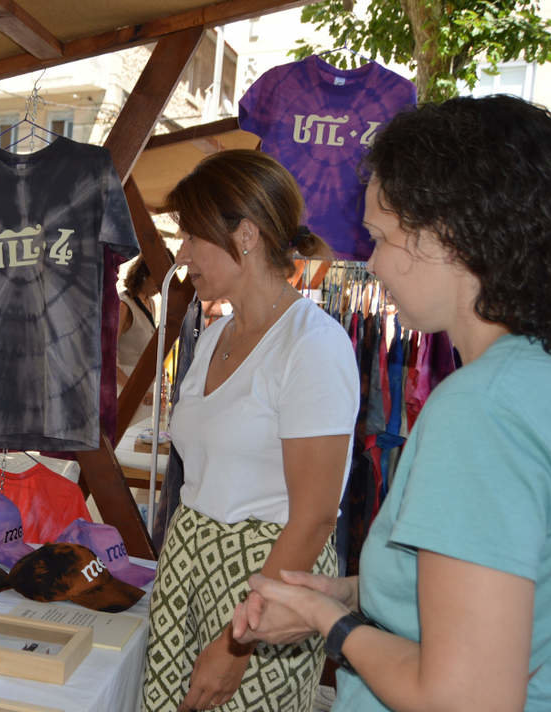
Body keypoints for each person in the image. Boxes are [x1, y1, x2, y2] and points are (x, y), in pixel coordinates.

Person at [231, 96, 551, 711]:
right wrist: (350, 594)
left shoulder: (483, 411)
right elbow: (520, 590)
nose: (372, 264)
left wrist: (331, 623)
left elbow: (464, 698)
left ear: (449, 237)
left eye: (380, 237)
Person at [141, 149, 360, 712]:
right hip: (189, 567)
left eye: (192, 237)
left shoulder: (312, 345)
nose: (182, 253)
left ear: (245, 235)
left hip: (264, 584)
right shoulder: (215, 336)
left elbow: (314, 517)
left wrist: (239, 642)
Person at [115, 257, 157, 425]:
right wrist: (134, 390)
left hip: (145, 389)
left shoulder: (151, 303)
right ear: (145, 275)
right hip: (126, 387)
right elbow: (108, 358)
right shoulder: (123, 306)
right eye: (158, 278)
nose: (160, 285)